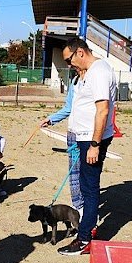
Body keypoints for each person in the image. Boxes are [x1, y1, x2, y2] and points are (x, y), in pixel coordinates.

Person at [56, 37, 117, 256]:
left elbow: (103, 110)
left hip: (91, 140)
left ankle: (84, 240)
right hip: (83, 138)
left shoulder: (99, 71)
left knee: (90, 190)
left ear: (80, 52)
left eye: (69, 60)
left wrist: (94, 145)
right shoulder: (88, 72)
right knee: (85, 187)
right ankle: (84, 230)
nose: (68, 65)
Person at [40, 67, 84, 216]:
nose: (72, 66)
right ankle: (78, 209)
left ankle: (87, 214)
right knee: (74, 176)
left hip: (89, 136)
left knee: (87, 177)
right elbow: (68, 108)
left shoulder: (96, 80)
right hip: (73, 133)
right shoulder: (75, 81)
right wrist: (51, 119)